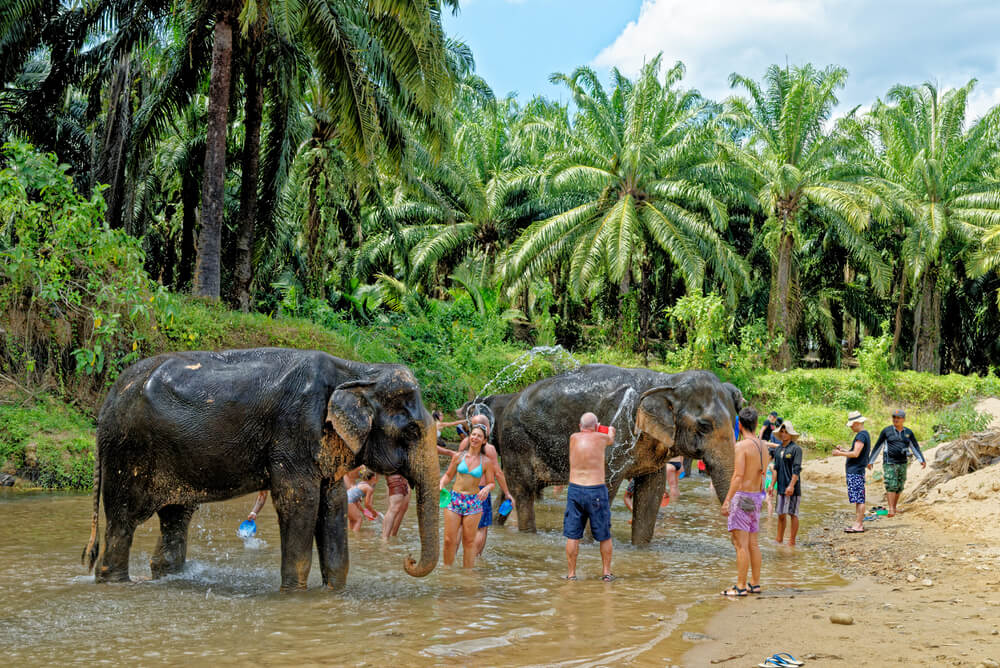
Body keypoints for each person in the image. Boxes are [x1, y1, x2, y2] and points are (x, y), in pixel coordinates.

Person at [720, 407, 767, 597]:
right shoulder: (763, 446)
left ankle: (740, 586)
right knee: (752, 544)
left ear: (739, 424)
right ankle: (754, 584)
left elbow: (738, 476)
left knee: (740, 544)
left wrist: (727, 501)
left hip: (743, 497)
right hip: (757, 497)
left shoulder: (741, 447)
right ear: (756, 424)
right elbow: (763, 474)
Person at [564, 412, 616, 582]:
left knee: (573, 535)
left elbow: (588, 430)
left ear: (580, 426)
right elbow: (611, 438)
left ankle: (571, 574)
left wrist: (594, 427)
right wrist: (609, 430)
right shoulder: (601, 438)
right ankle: (606, 573)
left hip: (575, 490)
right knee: (604, 535)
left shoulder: (573, 437)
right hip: (596, 491)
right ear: (596, 426)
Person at [439, 423, 496, 567]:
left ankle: (467, 575)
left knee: (469, 542)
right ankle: (447, 571)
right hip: (455, 499)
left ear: (484, 440)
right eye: (473, 434)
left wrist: (487, 488)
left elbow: (491, 482)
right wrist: (441, 484)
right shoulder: (458, 456)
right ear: (470, 436)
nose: (475, 438)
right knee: (448, 540)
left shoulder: (486, 461)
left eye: (479, 436)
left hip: (474, 502)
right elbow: (448, 475)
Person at [868, 409, 926, 517]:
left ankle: (894, 507)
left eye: (898, 418)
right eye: (894, 417)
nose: (895, 419)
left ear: (903, 419)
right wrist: (871, 461)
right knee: (891, 484)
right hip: (889, 462)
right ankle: (890, 509)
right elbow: (878, 446)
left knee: (899, 485)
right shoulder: (886, 431)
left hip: (903, 462)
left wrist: (921, 459)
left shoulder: (908, 433)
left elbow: (914, 446)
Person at [832, 411, 871, 533]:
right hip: (857, 470)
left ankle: (859, 525)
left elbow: (855, 453)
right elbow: (855, 451)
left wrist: (839, 453)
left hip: (856, 471)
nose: (851, 427)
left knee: (859, 499)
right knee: (858, 498)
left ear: (857, 423)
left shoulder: (861, 436)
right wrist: (843, 450)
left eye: (852, 425)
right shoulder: (864, 435)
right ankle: (857, 523)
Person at [773, 421, 803, 545]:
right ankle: (779, 539)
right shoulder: (778, 449)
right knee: (780, 514)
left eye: (786, 432)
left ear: (791, 434)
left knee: (793, 514)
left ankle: (792, 541)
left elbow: (797, 469)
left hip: (792, 488)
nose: (784, 434)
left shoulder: (796, 449)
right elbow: (775, 468)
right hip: (780, 487)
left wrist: (791, 485)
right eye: (782, 432)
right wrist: (771, 485)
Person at [346, 467, 380, 531]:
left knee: (352, 520)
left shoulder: (360, 484)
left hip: (344, 500)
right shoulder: (369, 488)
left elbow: (356, 501)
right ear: (373, 478)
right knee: (359, 520)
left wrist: (363, 511)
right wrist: (374, 512)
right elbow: (367, 504)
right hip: (348, 501)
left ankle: (352, 537)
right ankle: (357, 538)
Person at [382, 472, 410, 539]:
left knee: (402, 508)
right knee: (394, 508)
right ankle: (385, 539)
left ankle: (391, 535)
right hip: (396, 473)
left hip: (404, 476)